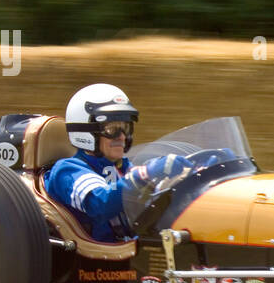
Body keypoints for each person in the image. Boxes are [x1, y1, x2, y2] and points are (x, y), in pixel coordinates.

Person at [45, 83, 192, 241]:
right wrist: (146, 174)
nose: (121, 136)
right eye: (111, 129)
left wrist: (191, 172)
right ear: (87, 131)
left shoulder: (122, 167)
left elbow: (148, 196)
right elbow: (100, 203)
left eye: (125, 128)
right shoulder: (67, 170)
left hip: (137, 248)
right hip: (98, 260)